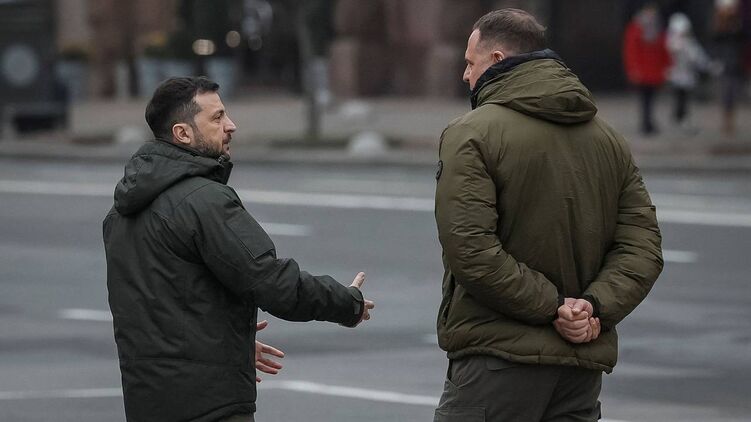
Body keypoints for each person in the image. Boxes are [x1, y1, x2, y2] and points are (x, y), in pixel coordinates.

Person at [434, 9, 663, 421]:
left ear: (497, 59)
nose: (465, 75)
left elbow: (471, 249)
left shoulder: (472, 133)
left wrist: (554, 307)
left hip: (497, 361)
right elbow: (642, 248)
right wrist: (592, 308)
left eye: (470, 63)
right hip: (579, 368)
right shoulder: (609, 139)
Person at [103, 76, 375, 422]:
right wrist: (347, 303)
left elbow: (159, 313)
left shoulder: (119, 215)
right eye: (217, 118)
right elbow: (271, 281)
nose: (231, 125)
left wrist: (227, 347)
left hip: (148, 403)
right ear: (183, 133)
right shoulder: (205, 201)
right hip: (211, 407)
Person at [623, 3, 671, 135]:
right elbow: (631, 51)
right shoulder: (635, 28)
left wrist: (666, 66)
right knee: (645, 99)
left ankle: (648, 122)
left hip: (654, 71)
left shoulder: (658, 28)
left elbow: (664, 49)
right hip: (642, 71)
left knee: (651, 99)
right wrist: (633, 69)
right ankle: (646, 123)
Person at [666, 12, 715, 132]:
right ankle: (680, 119)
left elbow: (698, 57)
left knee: (683, 99)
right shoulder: (672, 41)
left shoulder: (688, 42)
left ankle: (680, 119)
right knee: (680, 99)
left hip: (686, 76)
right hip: (676, 75)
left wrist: (709, 66)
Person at [712, 0, 747, 137]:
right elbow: (715, 42)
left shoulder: (738, 25)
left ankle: (731, 122)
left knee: (734, 95)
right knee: (725, 95)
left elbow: (742, 40)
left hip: (736, 66)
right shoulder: (719, 26)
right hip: (724, 66)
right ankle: (726, 121)